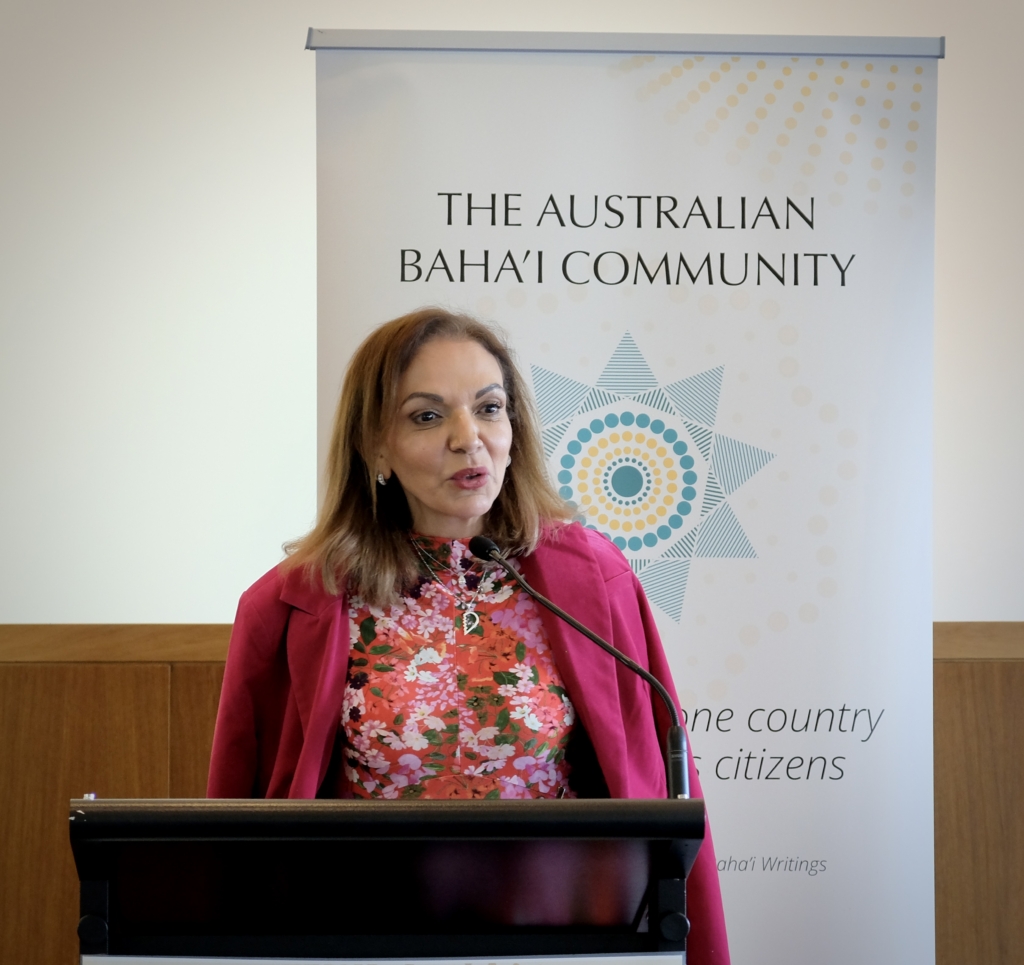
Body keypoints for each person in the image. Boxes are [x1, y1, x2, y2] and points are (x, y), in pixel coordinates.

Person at [208, 307, 730, 964]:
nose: (468, 438)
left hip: (560, 940)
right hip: (363, 942)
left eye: (488, 408)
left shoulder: (594, 579)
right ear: (375, 446)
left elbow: (658, 801)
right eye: (427, 416)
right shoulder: (292, 603)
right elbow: (233, 834)